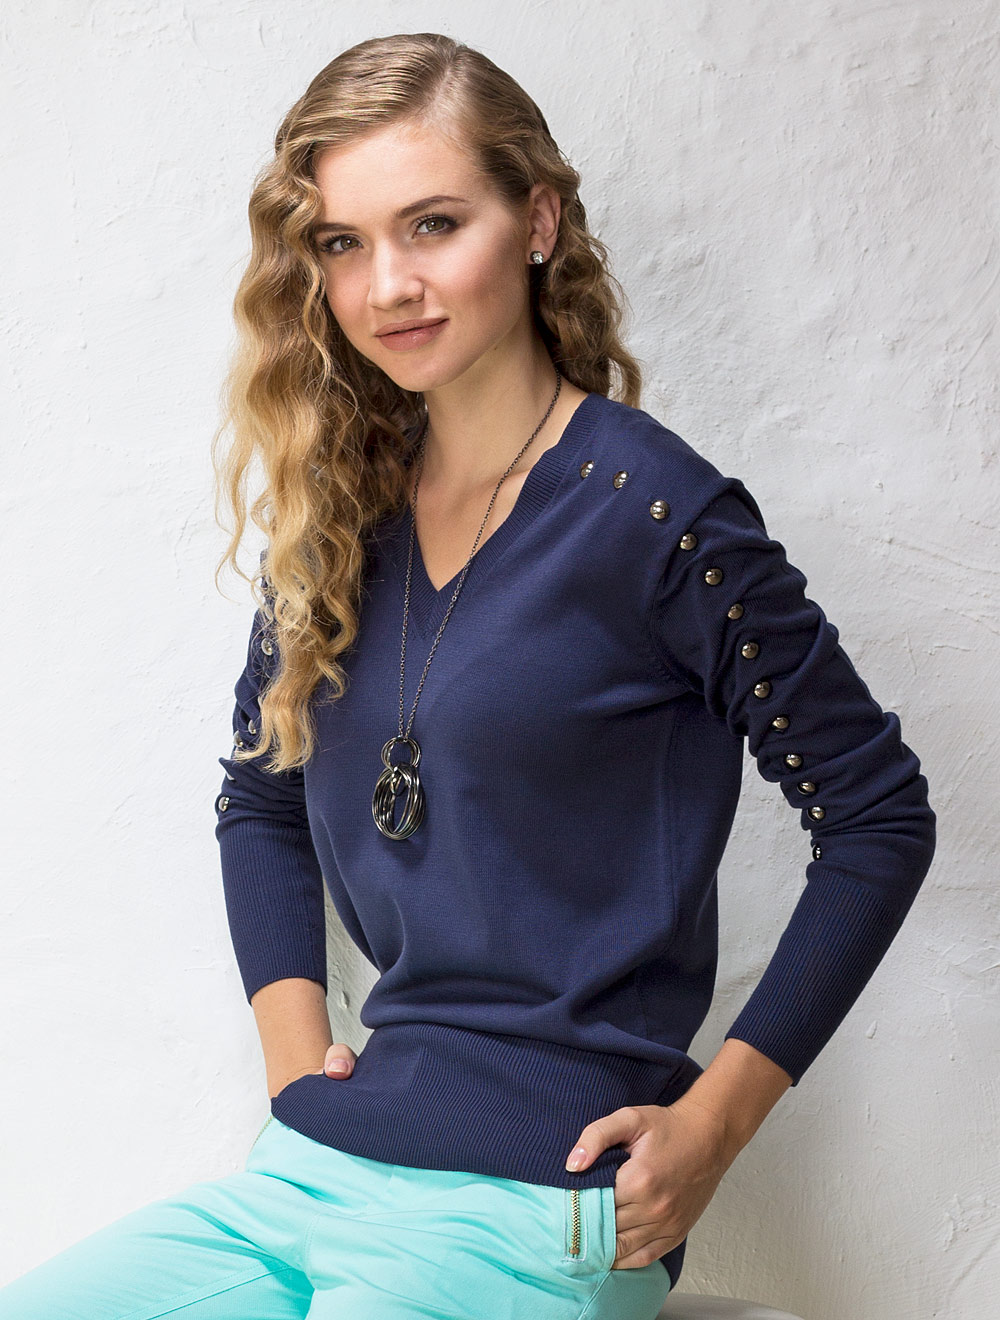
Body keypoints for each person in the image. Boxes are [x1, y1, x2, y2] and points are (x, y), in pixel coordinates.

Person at [0, 30, 936, 1320]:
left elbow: (878, 814)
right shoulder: (340, 517)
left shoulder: (657, 517)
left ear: (537, 221)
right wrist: (295, 1068)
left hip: (541, 1196)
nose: (389, 283)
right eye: (344, 243)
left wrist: (714, 1124)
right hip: (317, 1168)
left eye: (433, 225)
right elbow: (262, 798)